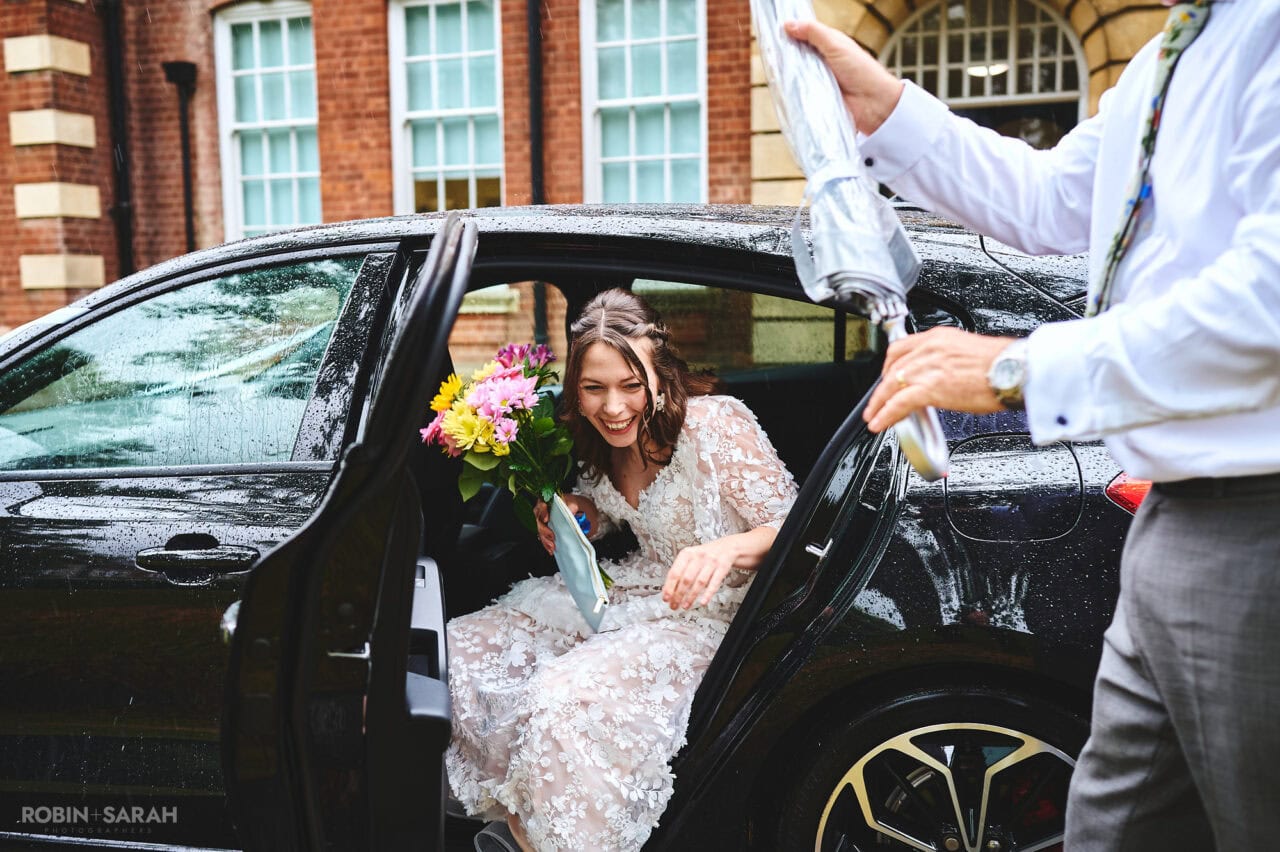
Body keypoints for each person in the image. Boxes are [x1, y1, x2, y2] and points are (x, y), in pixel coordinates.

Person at [785, 2, 1280, 849]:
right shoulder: (1172, 50)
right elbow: (1055, 199)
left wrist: (1019, 368)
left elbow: (1266, 299)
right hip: (1167, 521)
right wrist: (887, 112)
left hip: (1258, 530)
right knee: (1110, 829)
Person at [445, 288, 798, 852]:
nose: (613, 407)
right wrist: (579, 516)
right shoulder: (596, 442)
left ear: (659, 378)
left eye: (631, 387)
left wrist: (724, 550)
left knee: (564, 699)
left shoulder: (716, 426)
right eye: (594, 388)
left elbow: (799, 533)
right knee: (465, 648)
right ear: (575, 389)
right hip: (641, 589)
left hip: (723, 617)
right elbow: (610, 511)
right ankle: (506, 820)